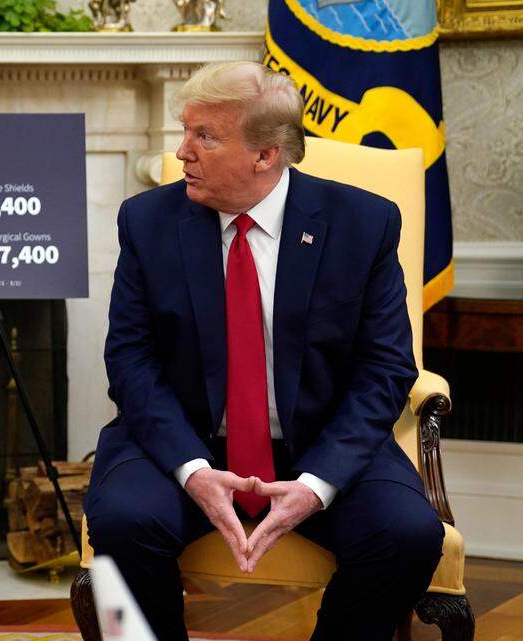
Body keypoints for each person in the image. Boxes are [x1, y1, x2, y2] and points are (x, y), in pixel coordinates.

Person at [83, 61, 444, 641]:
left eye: (205, 136)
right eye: (185, 130)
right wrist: (194, 471)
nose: (182, 152)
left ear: (266, 154)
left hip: (321, 441)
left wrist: (316, 484)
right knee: (121, 522)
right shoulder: (148, 221)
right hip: (186, 439)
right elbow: (130, 361)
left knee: (406, 534)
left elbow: (385, 368)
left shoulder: (363, 223)